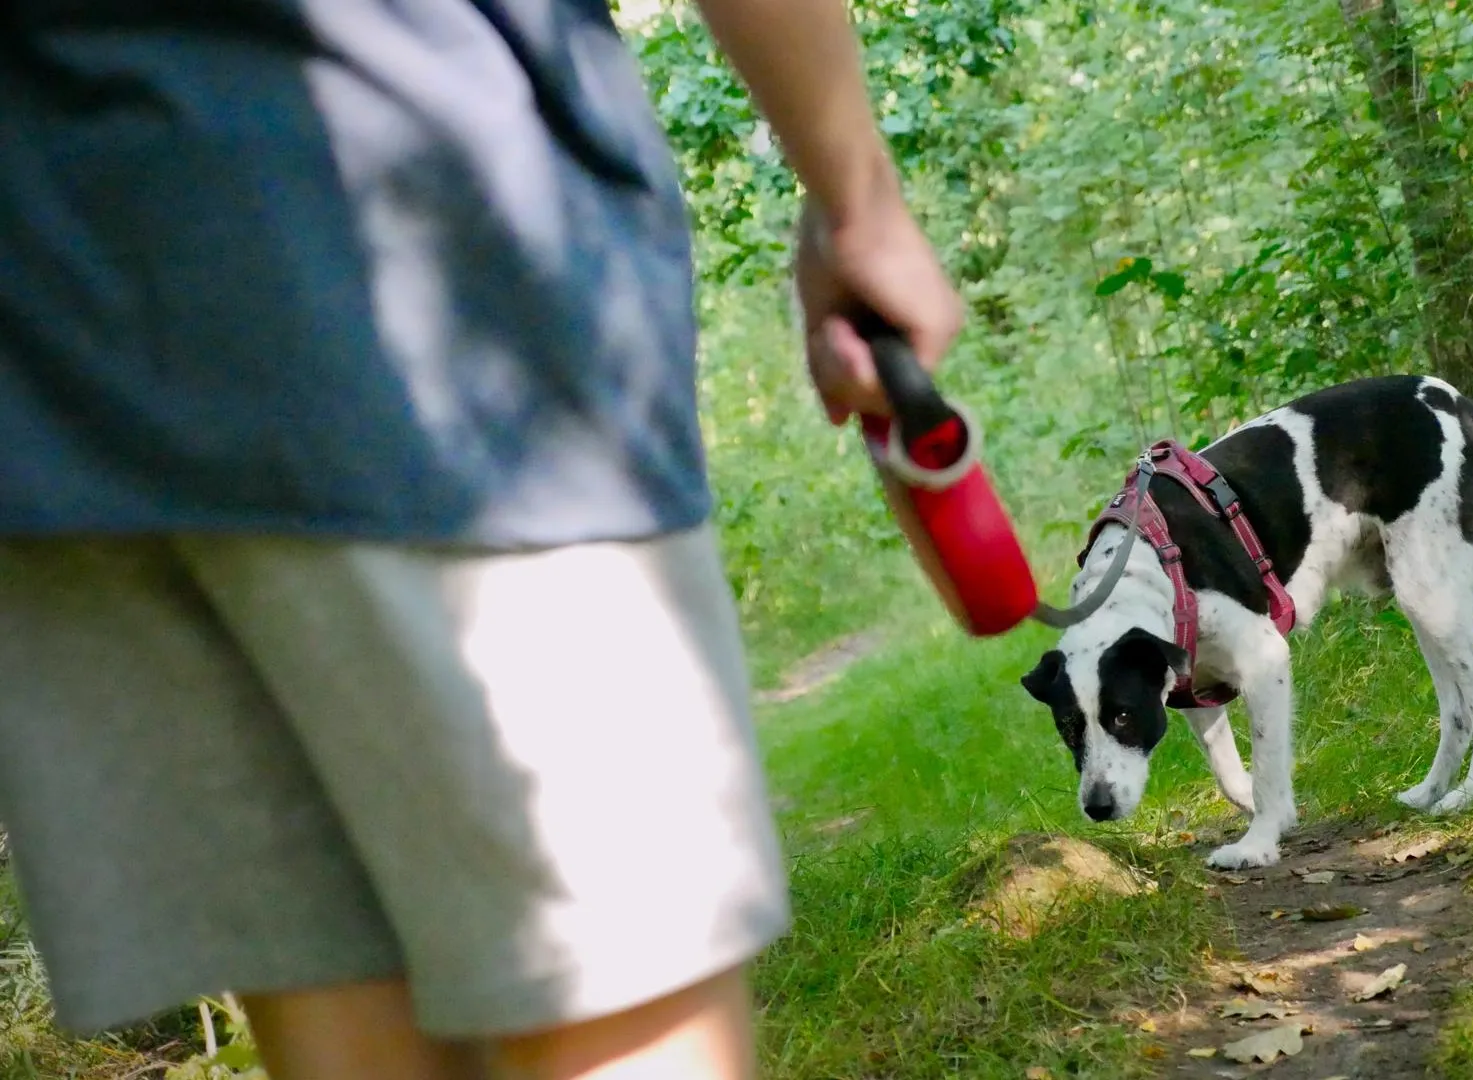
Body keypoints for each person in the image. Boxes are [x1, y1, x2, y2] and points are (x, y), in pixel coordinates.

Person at [0, 1, 961, 1077]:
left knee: (345, 1016)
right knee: (619, 1014)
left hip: (63, 345)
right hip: (432, 274)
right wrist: (859, 198)